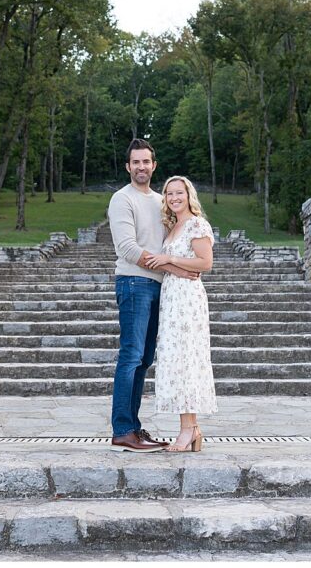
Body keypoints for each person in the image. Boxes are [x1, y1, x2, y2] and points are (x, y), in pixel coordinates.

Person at [107, 140, 200, 453]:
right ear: (128, 166)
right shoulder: (122, 199)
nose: (141, 167)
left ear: (154, 165)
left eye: (146, 162)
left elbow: (176, 245)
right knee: (131, 355)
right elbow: (127, 249)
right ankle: (122, 429)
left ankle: (133, 428)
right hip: (134, 283)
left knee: (144, 359)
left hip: (161, 287)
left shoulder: (162, 202)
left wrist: (176, 267)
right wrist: (169, 265)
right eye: (136, 162)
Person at [144, 175, 217, 452]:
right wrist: (171, 265)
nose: (174, 197)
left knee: (187, 359)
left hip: (188, 300)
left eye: (179, 193)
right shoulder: (172, 228)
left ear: (189, 196)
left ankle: (188, 430)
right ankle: (191, 429)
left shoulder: (196, 224)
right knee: (176, 360)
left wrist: (169, 259)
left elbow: (205, 263)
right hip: (171, 298)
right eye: (169, 193)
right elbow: (176, 266)